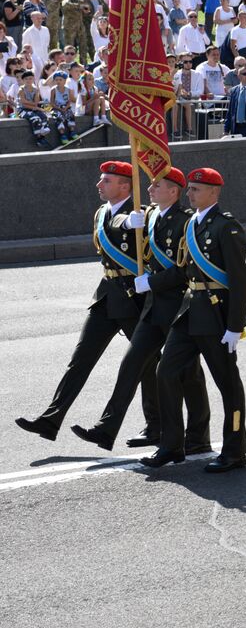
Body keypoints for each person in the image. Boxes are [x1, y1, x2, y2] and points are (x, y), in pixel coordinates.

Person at [14, 162, 166, 444]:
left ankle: (154, 426)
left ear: (125, 185)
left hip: (134, 297)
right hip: (107, 294)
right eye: (101, 180)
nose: (99, 185)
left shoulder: (143, 215)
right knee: (80, 360)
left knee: (145, 365)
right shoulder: (101, 213)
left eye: (106, 181)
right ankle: (51, 419)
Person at [69, 168, 211, 453]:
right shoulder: (149, 216)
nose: (149, 189)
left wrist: (152, 281)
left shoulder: (185, 222)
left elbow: (185, 269)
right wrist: (125, 221)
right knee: (131, 365)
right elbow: (117, 217)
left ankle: (198, 436)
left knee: (189, 374)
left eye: (157, 185)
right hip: (151, 307)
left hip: (177, 307)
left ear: (174, 191)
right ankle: (106, 430)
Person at [140, 168, 246, 474]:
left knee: (228, 386)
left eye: (196, 189)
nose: (189, 194)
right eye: (189, 189)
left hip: (217, 317)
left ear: (214, 192)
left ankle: (234, 451)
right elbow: (181, 271)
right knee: (166, 372)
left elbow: (240, 281)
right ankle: (172, 445)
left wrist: (235, 326)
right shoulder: (191, 224)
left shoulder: (226, 228)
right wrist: (152, 282)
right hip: (189, 312)